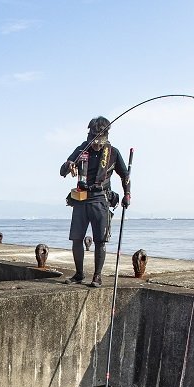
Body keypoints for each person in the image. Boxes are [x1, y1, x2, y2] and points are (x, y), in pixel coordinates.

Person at [60, 116, 129, 286]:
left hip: (100, 200)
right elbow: (62, 171)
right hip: (81, 199)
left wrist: (127, 194)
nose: (96, 144)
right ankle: (79, 274)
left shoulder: (113, 152)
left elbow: (125, 175)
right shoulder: (82, 148)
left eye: (99, 140)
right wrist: (69, 165)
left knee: (100, 240)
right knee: (76, 239)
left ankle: (97, 276)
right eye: (93, 139)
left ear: (106, 136)